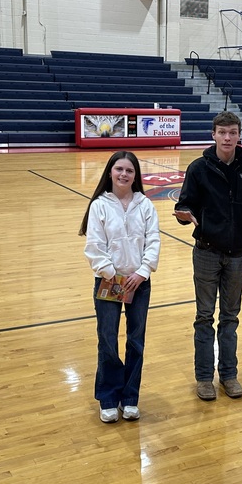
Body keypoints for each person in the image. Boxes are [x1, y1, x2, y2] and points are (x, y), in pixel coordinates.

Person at [174, 111, 242, 401]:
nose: (227, 137)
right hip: (205, 251)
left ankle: (229, 375)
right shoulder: (198, 168)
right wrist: (184, 216)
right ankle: (204, 378)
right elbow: (185, 204)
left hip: (238, 255)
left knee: (230, 318)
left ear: (239, 135)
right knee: (204, 317)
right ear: (213, 135)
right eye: (222, 132)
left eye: (232, 132)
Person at [80, 151, 161, 423]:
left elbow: (154, 241)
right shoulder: (99, 206)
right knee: (108, 341)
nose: (124, 174)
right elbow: (94, 246)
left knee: (136, 342)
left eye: (129, 170)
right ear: (110, 172)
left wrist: (142, 272)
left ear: (136, 175)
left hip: (139, 283)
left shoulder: (145, 205)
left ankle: (130, 399)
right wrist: (113, 275)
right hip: (109, 282)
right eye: (119, 169)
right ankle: (108, 398)